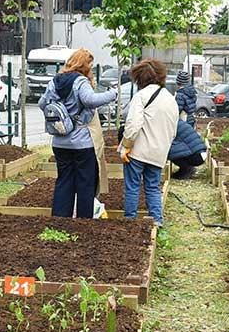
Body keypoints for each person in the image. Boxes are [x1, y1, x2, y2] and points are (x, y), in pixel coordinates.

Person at [39, 49, 117, 218]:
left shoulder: (55, 81)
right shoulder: (80, 82)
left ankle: (60, 220)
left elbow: (42, 103)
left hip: (59, 142)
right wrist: (112, 94)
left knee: (64, 181)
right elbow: (90, 100)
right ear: (84, 65)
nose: (91, 68)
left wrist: (62, 114)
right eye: (89, 64)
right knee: (85, 183)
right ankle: (83, 222)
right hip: (82, 142)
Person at [120, 58, 177, 227]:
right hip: (158, 153)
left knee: (132, 187)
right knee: (153, 187)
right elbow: (173, 130)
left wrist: (126, 146)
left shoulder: (141, 96)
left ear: (140, 78)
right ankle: (157, 222)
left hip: (138, 152)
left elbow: (133, 125)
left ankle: (130, 221)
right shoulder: (170, 99)